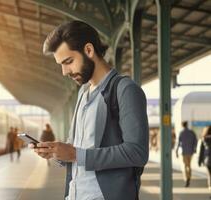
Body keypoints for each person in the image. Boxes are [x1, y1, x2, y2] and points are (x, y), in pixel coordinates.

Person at [30, 20, 149, 200]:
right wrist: (54, 152)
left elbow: (137, 152)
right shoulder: (82, 94)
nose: (64, 71)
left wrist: (75, 154)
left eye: (68, 61)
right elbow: (77, 152)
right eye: (61, 64)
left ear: (89, 50)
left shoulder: (125, 90)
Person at [176, 121, 198, 187]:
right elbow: (195, 141)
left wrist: (176, 151)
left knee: (185, 166)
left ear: (182, 125)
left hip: (184, 152)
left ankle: (187, 178)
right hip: (191, 152)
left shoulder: (181, 133)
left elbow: (178, 143)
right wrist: (194, 148)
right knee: (189, 165)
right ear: (187, 125)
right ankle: (189, 177)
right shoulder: (192, 132)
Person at [198, 126, 211, 197]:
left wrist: (199, 161)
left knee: (209, 176)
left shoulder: (204, 139)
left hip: (207, 160)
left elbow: (201, 151)